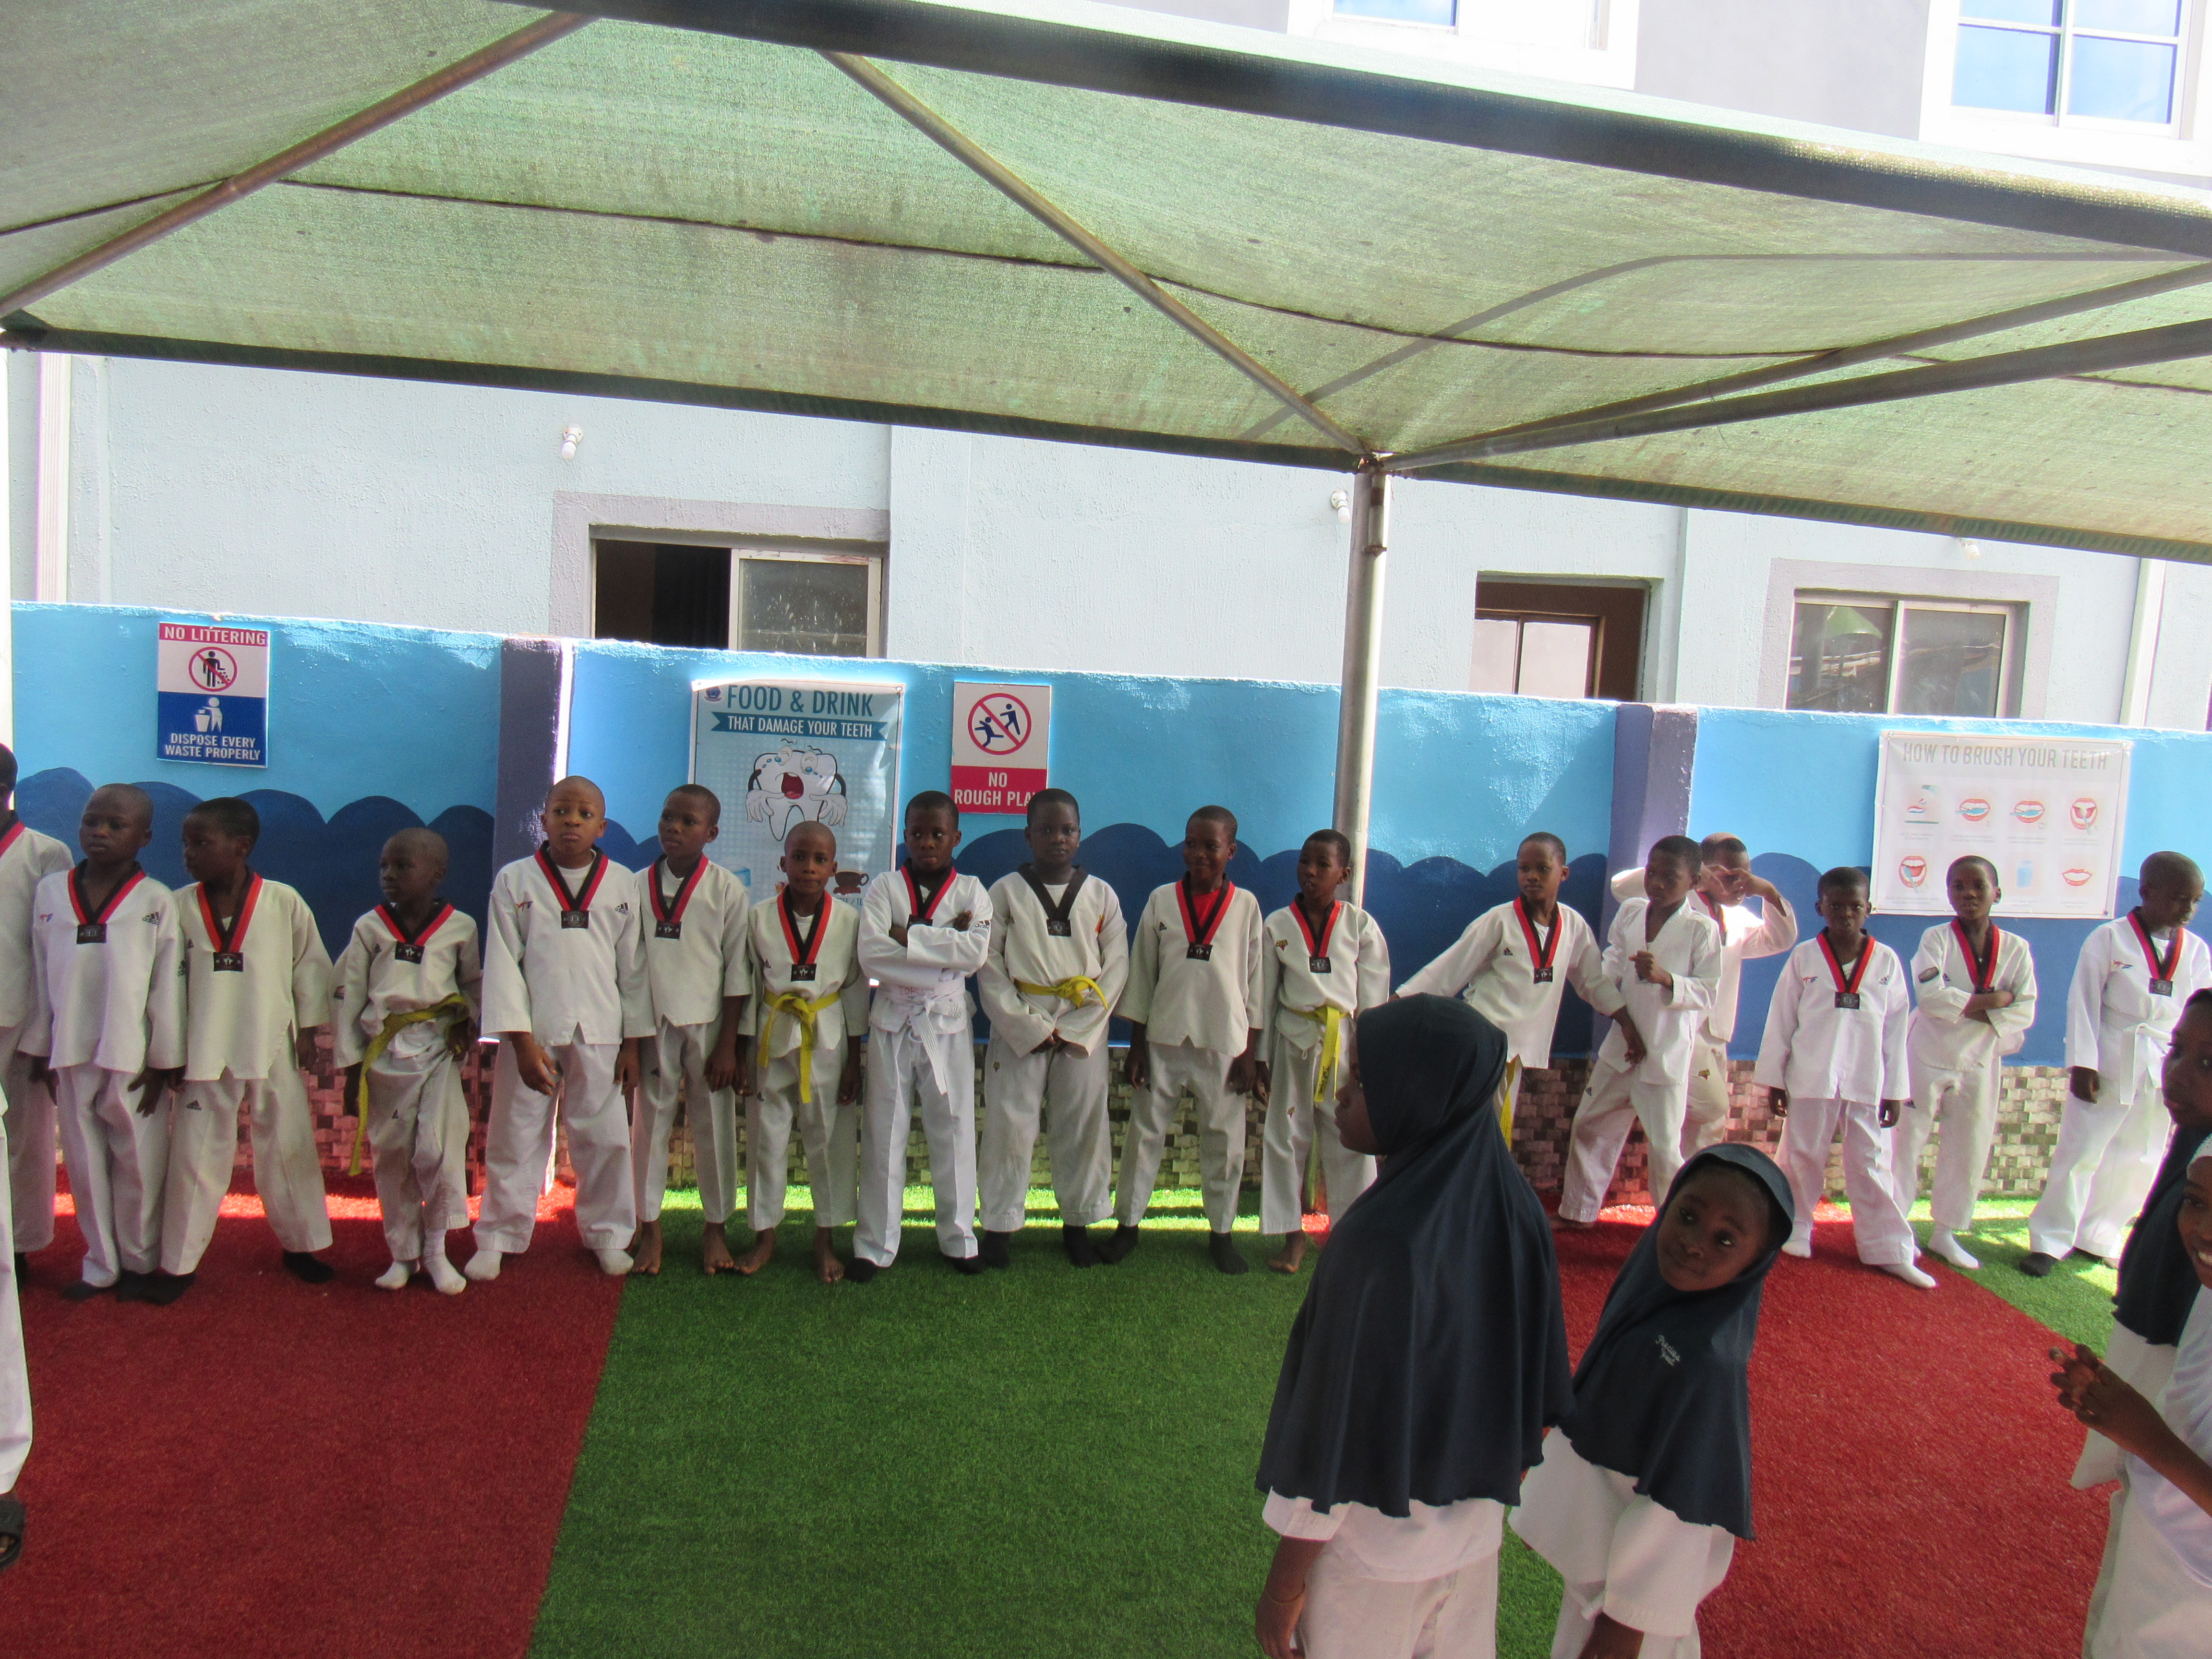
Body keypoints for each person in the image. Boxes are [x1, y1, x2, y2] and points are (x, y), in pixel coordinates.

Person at [1252, 996, 1571, 1659]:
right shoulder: (1516, 1211)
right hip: (1473, 1540)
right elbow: (1531, 1389)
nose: (1340, 1094)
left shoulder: (1378, 1243)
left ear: (1422, 1096)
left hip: (1370, 1560)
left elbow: (1335, 1434)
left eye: (1364, 1080)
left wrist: (1284, 1585)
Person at [1512, 1144, 1796, 1659]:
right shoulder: (1649, 1287)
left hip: (1631, 1599)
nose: (1693, 1244)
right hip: (1601, 1566)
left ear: (1755, 1262)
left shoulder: (1709, 1365)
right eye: (1686, 1217)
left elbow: (1682, 1508)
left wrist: (1627, 1623)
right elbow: (1596, 1402)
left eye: (1725, 1240)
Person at [2068, 990, 2212, 1644]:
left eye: (2207, 1064)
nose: (2177, 1073)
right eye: (2177, 1050)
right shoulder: (2193, 1151)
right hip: (2167, 1480)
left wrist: (2145, 1432)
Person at [469, 776, 650, 1281]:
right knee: (516, 1132)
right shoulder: (515, 880)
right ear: (543, 820)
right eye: (562, 810)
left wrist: (633, 1043)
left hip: (601, 1028)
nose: (572, 820)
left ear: (602, 826)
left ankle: (610, 1235)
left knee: (607, 1137)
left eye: (585, 813)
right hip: (534, 1031)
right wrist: (520, 1043)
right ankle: (499, 1234)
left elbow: (633, 969)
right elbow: (504, 963)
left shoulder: (623, 884)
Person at [155, 797, 335, 1300]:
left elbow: (311, 966)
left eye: (201, 843)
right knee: (196, 1152)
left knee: (286, 1143)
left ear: (242, 847)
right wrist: (166, 1050)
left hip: (271, 1036)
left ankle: (303, 1246)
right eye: (186, 843)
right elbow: (163, 984)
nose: (189, 853)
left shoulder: (283, 902)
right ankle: (179, 1263)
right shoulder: (176, 906)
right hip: (202, 1045)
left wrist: (309, 1029)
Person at [19, 785, 183, 1299]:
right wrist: (41, 1046)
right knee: (86, 1165)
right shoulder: (50, 892)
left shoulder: (156, 899)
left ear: (145, 837)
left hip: (132, 1052)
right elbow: (43, 976)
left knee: (138, 1160)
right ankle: (100, 1265)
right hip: (70, 1047)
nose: (100, 832)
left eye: (116, 825)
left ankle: (138, 1263)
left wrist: (164, 1059)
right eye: (93, 821)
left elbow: (167, 984)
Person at [2050, 1143, 2212, 1657]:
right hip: (2161, 1537)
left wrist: (2147, 1437)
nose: (2205, 1231)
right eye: (2197, 1202)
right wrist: (2113, 1406)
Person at [2024, 853, 2208, 1277]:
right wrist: (2083, 1063)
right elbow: (2083, 1001)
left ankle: (2101, 1233)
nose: (2188, 910)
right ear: (2146, 893)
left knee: (2141, 1154)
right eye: (2180, 898)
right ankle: (2050, 1240)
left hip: (2165, 1060)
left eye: (2195, 902)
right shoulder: (2109, 939)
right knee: (2082, 1150)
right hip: (2111, 1054)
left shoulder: (2196, 951)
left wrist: (2193, 1073)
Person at [1398, 831, 1640, 1146]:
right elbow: (1449, 970)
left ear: (1563, 873)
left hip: (1518, 1051)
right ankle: (1467, 1191)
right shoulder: (1498, 921)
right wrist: (1400, 1002)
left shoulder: (1574, 926)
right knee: (1472, 1130)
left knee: (1495, 1130)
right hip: (1482, 1042)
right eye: (1524, 869)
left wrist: (1626, 1021)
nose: (1532, 877)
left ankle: (1483, 1192)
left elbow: (1593, 982)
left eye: (1543, 869)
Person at [1754, 866, 1934, 1288]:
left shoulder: (1887, 961)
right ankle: (1796, 1229)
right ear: (1821, 908)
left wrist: (1895, 1091)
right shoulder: (1804, 957)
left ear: (1869, 909)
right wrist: (1775, 1080)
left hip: (1868, 1079)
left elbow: (1895, 1033)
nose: (1846, 915)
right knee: (1801, 1156)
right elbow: (1780, 1022)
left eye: (1856, 906)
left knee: (1873, 1163)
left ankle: (1889, 1248)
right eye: (1836, 906)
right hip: (1811, 1073)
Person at [974, 788, 1127, 1269]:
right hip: (1021, 1019)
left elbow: (1117, 968)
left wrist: (1080, 1027)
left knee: (1083, 1125)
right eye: (1046, 829)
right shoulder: (1003, 892)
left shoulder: (1102, 894)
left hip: (1083, 1021)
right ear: (1028, 835)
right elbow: (989, 965)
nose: (1057, 839)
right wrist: (1026, 1025)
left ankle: (1078, 1223)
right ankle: (998, 1226)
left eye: (1067, 830)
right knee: (1008, 1126)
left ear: (1080, 836)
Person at [1110, 805, 1265, 1274]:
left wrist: (1250, 1055)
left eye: (1211, 846)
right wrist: (1136, 1045)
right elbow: (1142, 974)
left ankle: (1221, 1231)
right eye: (1192, 843)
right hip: (1163, 1038)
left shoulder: (1247, 907)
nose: (1199, 853)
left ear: (1231, 851)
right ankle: (1128, 1226)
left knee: (1224, 1139)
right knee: (1145, 1134)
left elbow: (1256, 984)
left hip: (1225, 1043)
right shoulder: (1161, 900)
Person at [330, 828, 481, 1295]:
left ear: (436, 874)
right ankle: (403, 1254)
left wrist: (466, 1022)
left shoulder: (461, 927)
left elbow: (473, 984)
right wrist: (353, 1071)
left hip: (436, 1051)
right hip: (385, 1056)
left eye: (402, 866)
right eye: (384, 867)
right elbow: (351, 996)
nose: (389, 876)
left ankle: (436, 1251)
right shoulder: (370, 928)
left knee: (436, 1150)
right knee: (393, 1157)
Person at [854, 792, 993, 1281]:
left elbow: (975, 954)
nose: (927, 842)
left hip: (948, 1023)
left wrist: (906, 934)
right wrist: (942, 941)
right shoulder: (884, 887)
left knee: (953, 1128)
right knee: (883, 1131)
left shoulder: (974, 890)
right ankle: (874, 1245)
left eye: (938, 833)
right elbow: (871, 956)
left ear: (956, 837)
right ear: (905, 835)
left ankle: (960, 1238)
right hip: (893, 1020)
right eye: (917, 833)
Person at [1556, 837, 1722, 1228]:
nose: (1658, 883)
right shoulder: (1631, 913)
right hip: (1621, 1045)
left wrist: (1666, 978)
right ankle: (1579, 1212)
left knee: (1665, 1148)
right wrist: (1606, 993)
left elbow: (1709, 990)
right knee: (1590, 1124)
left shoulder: (1702, 929)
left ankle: (1671, 1227)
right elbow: (1611, 961)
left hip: (1665, 1053)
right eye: (1653, 872)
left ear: (1694, 881)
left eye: (1671, 877)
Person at [1609, 833, 1796, 1159]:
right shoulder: (1679, 904)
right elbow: (1621, 888)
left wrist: (1767, 892)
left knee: (1707, 1129)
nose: (1740, 886)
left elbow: (1779, 939)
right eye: (1731, 877)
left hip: (1717, 1035)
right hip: (1675, 1028)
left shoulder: (1737, 921)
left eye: (1745, 878)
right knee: (1707, 1108)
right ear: (1705, 872)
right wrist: (1696, 876)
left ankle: (1696, 1182)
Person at [735, 819, 866, 1283]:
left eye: (819, 860)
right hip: (772, 1036)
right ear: (783, 862)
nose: (808, 868)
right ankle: (765, 1234)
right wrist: (741, 1052)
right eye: (799, 858)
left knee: (828, 1138)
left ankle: (825, 1238)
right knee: (766, 1138)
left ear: (834, 868)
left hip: (826, 1036)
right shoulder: (759, 916)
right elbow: (748, 987)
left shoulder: (851, 921)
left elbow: (853, 991)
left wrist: (855, 1058)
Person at [1893, 854, 2038, 1271]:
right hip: (1927, 1052)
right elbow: (1932, 999)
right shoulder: (1935, 938)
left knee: (1969, 1143)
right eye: (1958, 886)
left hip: (1981, 1056)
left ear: (1997, 892)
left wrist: (1966, 1004)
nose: (1968, 894)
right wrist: (1995, 999)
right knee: (1908, 1140)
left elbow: (2025, 1009)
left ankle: (1946, 1232)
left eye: (1978, 885)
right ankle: (1896, 1223)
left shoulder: (2016, 948)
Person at [628, 785, 750, 1277]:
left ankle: (715, 1226)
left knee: (714, 1124)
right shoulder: (634, 886)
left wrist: (729, 1047)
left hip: (710, 1023)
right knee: (648, 1126)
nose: (673, 828)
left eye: (688, 822)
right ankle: (648, 1226)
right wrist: (633, 1041)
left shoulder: (727, 890)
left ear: (712, 833)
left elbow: (738, 971)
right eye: (667, 818)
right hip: (652, 1019)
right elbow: (629, 969)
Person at [1256, 830, 1389, 1275]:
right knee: (1284, 1136)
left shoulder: (1360, 926)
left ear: (1344, 874)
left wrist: (1367, 1058)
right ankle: (1292, 1235)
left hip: (1344, 1042)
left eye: (1322, 865)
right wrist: (1259, 1056)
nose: (1310, 872)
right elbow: (1263, 996)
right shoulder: (1277, 924)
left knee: (1351, 1137)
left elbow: (1373, 997)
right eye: (1304, 862)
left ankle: (1350, 1235)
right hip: (1292, 1036)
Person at [0, 745, 80, 1277]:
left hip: (22, 1014)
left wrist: (48, 1034)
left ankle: (21, 1247)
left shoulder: (46, 855)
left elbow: (56, 951)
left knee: (25, 1135)